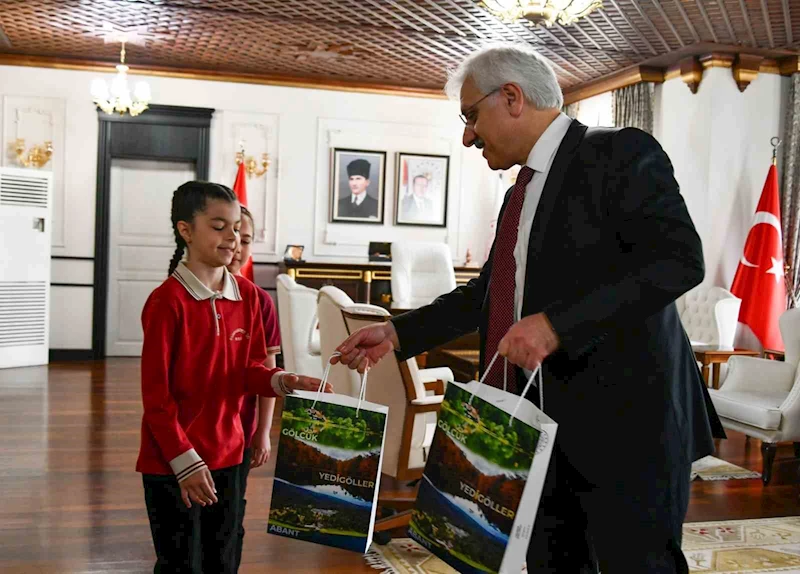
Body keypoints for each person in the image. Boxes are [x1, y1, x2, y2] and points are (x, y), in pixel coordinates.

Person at [334, 43, 724, 574]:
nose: (467, 135)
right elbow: (489, 293)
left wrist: (558, 325)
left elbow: (679, 263)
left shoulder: (622, 153)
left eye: (471, 116)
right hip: (537, 425)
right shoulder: (519, 191)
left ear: (512, 97)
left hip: (628, 430)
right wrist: (398, 336)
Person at [136, 181, 330, 574]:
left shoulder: (249, 297)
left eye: (237, 227)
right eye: (218, 226)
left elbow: (247, 372)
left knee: (222, 559)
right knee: (178, 564)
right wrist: (185, 463)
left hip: (228, 456)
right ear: (185, 230)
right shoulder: (166, 302)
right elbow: (156, 400)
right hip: (173, 463)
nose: (231, 238)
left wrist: (282, 381)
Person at [226, 205, 281, 571]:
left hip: (240, 432)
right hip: (193, 434)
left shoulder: (260, 301)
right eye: (231, 236)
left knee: (231, 516)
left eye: (245, 240)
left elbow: (268, 371)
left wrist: (262, 432)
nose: (237, 247)